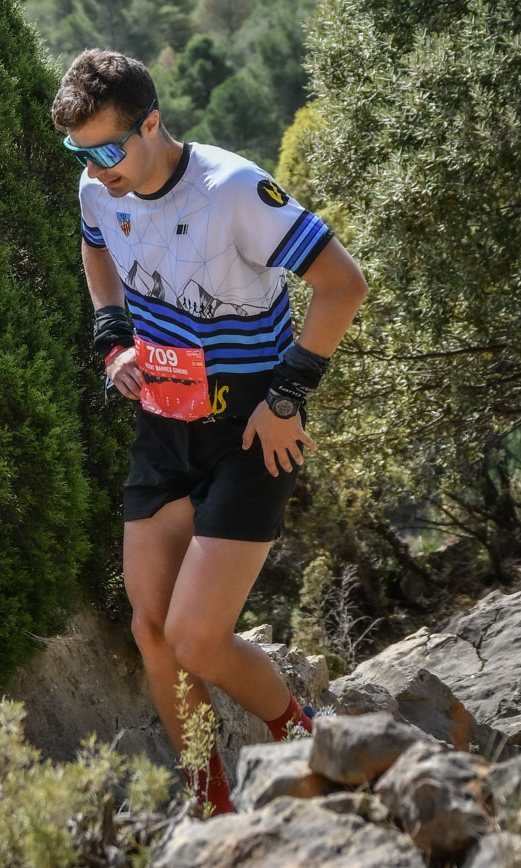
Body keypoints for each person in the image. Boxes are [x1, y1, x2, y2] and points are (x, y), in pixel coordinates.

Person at [50, 48, 368, 816]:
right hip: (164, 423)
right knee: (152, 629)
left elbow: (342, 284)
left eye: (105, 150)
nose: (93, 170)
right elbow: (96, 248)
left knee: (196, 637)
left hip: (252, 431)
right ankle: (210, 805)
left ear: (150, 124)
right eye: (76, 153)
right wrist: (111, 338)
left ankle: (310, 740)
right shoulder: (98, 189)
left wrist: (287, 397)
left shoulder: (231, 189)